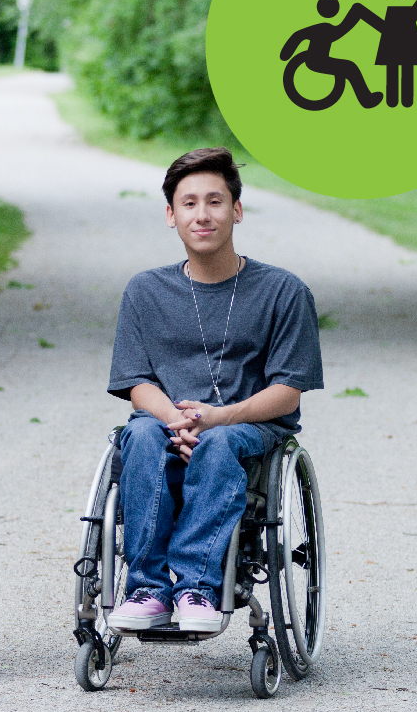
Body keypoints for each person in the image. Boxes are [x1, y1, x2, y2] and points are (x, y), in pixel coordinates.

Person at [106, 148, 325, 632]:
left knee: (221, 441)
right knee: (138, 437)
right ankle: (146, 587)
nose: (201, 215)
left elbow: (288, 391)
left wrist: (217, 418)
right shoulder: (145, 291)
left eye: (215, 201)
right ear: (171, 215)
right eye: (188, 204)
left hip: (246, 428)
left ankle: (197, 588)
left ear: (237, 210)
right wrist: (178, 421)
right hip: (164, 422)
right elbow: (135, 382)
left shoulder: (283, 292)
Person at [280, 0, 383, 111]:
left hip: (316, 61)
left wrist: (286, 54)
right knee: (350, 68)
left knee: (350, 67)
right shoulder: (324, 29)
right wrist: (286, 54)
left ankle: (366, 99)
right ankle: (366, 99)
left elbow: (298, 35)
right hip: (317, 62)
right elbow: (299, 35)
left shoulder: (322, 29)